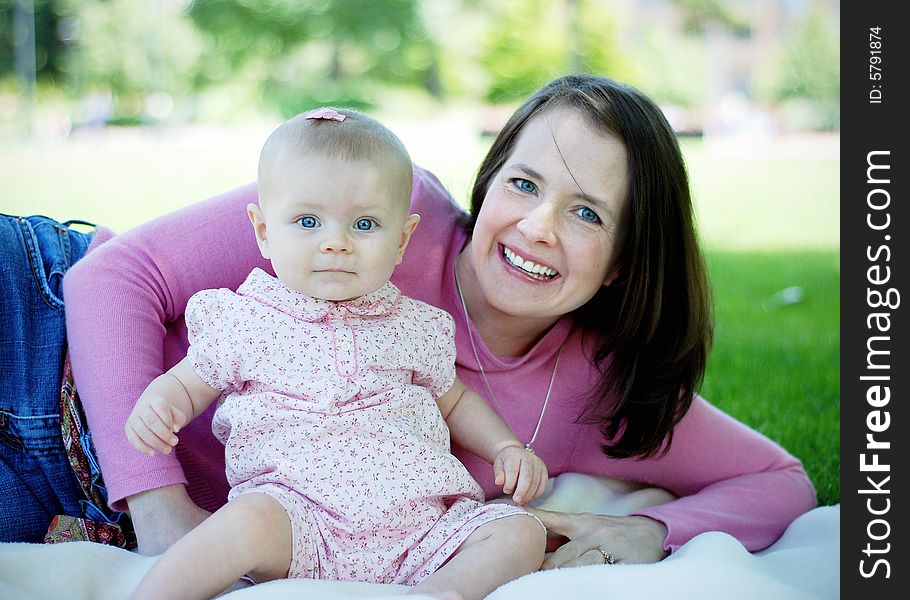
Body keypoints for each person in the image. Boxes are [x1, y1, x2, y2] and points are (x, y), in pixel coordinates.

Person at [62, 74, 817, 568]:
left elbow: (779, 480)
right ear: (487, 187)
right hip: (47, 336)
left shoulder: (600, 388)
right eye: (523, 184)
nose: (538, 226)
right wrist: (159, 514)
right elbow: (109, 278)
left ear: (624, 259)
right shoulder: (384, 211)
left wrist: (651, 530)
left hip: (73, 498)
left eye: (586, 211)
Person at [125, 108, 547, 600]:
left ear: (402, 240)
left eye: (365, 224)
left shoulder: (415, 326)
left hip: (420, 527)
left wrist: (505, 447)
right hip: (296, 520)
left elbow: (454, 402)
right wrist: (158, 404)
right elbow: (185, 383)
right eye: (308, 221)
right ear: (263, 231)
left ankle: (441, 592)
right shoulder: (242, 320)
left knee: (521, 531)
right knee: (243, 521)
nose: (336, 243)